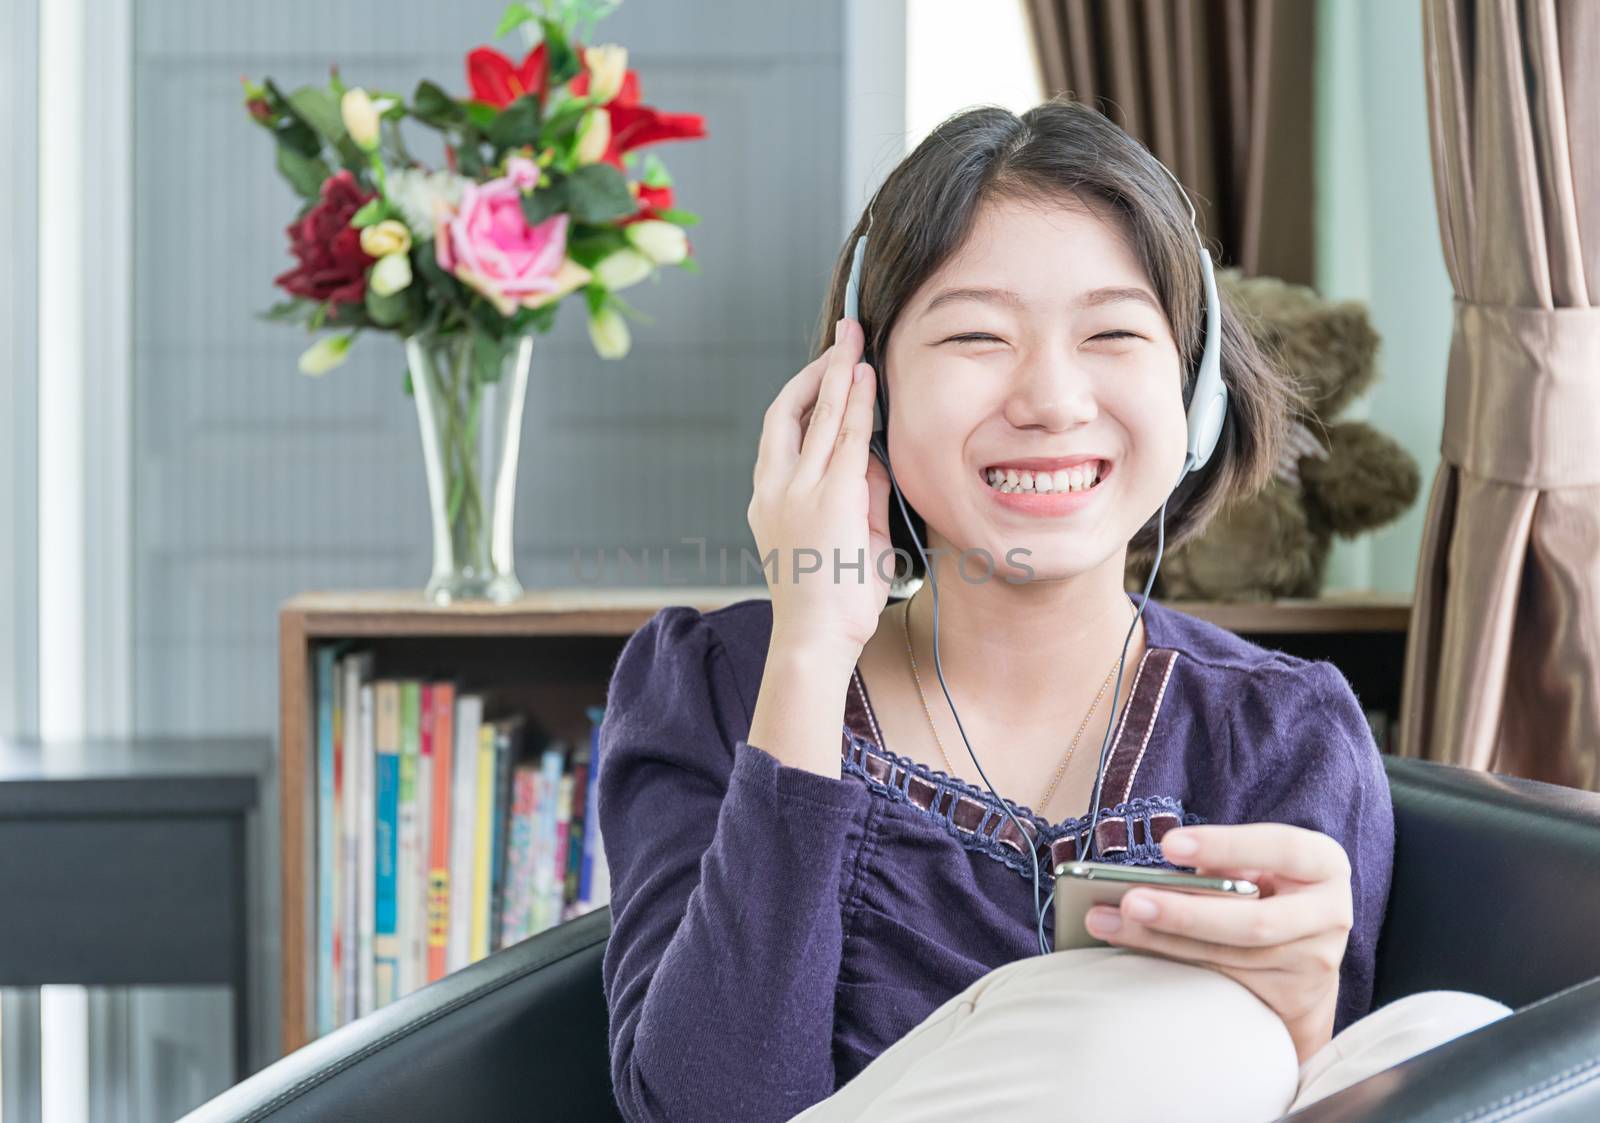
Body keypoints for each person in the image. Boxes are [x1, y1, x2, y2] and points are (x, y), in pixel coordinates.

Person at [595, 97, 1511, 1123]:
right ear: (866, 393)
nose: (1051, 399)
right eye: (977, 335)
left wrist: (1300, 1022)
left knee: (1459, 1041)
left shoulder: (1282, 733)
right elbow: (706, 1108)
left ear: (1195, 388)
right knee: (1172, 1030)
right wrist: (811, 646)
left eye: (1114, 331)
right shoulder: (715, 681)